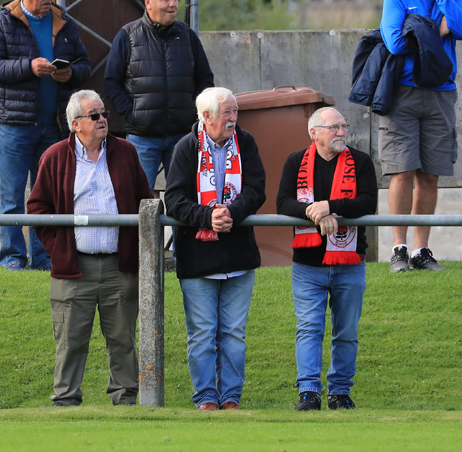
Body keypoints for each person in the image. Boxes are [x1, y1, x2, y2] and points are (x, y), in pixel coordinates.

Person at [27, 90, 153, 407]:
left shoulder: (126, 152)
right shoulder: (55, 156)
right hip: (73, 267)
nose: (102, 120)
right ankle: (65, 400)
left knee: (123, 339)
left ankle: (125, 400)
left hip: (119, 265)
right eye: (94, 115)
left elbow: (146, 202)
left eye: (104, 114)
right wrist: (59, 249)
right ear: (75, 124)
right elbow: (37, 209)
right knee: (70, 340)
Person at [0, 0, 91, 271]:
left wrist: (72, 73)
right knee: (12, 195)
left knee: (48, 196)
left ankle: (44, 259)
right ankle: (13, 258)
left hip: (53, 125)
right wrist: (28, 68)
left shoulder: (64, 22)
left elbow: (85, 64)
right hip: (14, 125)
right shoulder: (2, 22)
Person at [164, 87, 265, 411]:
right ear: (206, 117)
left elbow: (256, 189)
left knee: (234, 334)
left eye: (236, 111)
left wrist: (230, 214)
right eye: (228, 113)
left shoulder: (245, 143)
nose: (234, 119)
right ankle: (206, 396)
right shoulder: (185, 148)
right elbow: (175, 199)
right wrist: (208, 217)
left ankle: (231, 397)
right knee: (203, 334)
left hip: (238, 256)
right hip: (198, 258)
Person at [276, 107, 377, 411]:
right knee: (309, 328)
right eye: (334, 128)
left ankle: (340, 392)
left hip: (350, 264)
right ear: (314, 133)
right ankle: (309, 392)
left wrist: (330, 206)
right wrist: (313, 211)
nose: (342, 133)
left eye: (344, 127)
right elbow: (283, 202)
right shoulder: (295, 161)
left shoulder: (360, 161)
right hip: (307, 265)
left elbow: (368, 202)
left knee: (346, 331)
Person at [380, 0, 462, 272]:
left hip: (441, 94)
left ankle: (420, 252)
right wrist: (436, 28)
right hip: (402, 94)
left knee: (431, 174)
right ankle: (398, 249)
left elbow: (458, 26)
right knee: (402, 171)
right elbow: (395, 42)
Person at [104, 0, 214, 189]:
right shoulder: (128, 36)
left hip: (183, 137)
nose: (173, 4)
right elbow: (111, 82)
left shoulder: (188, 36)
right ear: (148, 2)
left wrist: (193, 112)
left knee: (183, 202)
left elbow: (205, 80)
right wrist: (133, 114)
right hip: (142, 138)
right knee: (139, 202)